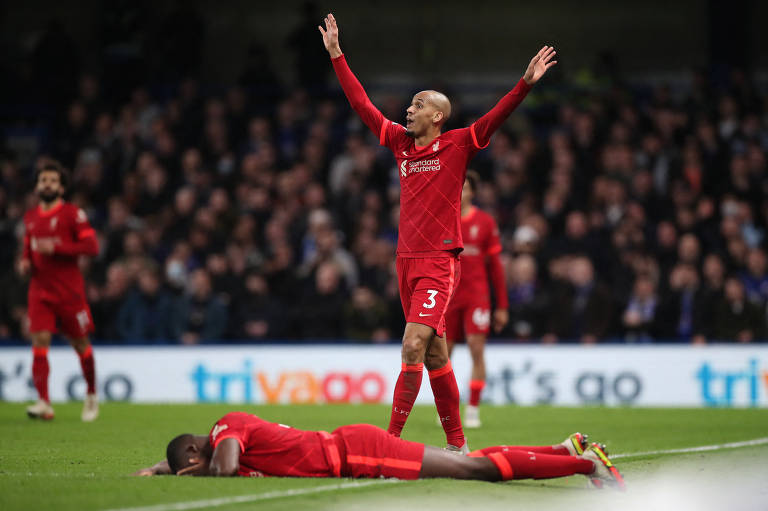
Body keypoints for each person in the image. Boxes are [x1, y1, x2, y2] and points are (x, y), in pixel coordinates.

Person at [319, 13, 556, 451]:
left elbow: (496, 117)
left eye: (417, 103)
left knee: (411, 346)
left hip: (439, 263)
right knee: (435, 356)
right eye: (410, 104)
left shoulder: (460, 142)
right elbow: (361, 105)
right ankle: (458, 444)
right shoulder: (399, 144)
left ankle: (389, 445)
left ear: (438, 115)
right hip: (405, 262)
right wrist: (337, 55)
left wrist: (524, 84)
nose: (408, 109)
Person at [134, 411, 625, 491]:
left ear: (196, 454)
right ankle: (565, 447)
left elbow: (225, 469)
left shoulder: (226, 428)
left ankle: (587, 463)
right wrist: (163, 466)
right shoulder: (219, 438)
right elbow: (218, 462)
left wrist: (180, 472)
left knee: (475, 471)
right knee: (462, 462)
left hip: (356, 453)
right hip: (353, 448)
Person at [18, 160, 100, 421]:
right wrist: (24, 263)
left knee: (80, 344)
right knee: (39, 342)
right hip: (40, 291)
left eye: (53, 180)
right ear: (37, 186)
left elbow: (92, 247)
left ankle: (91, 394)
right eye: (43, 180)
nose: (47, 184)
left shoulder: (73, 214)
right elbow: (28, 250)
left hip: (69, 292)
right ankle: (43, 402)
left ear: (62, 188)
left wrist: (57, 248)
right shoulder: (30, 218)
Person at [445, 171, 509, 428]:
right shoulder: (443, 221)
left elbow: (495, 267)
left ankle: (472, 408)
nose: (460, 192)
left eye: (465, 188)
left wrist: (502, 306)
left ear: (472, 192)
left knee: (476, 348)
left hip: (476, 296)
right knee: (443, 354)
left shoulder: (484, 222)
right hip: (449, 295)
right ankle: (448, 408)